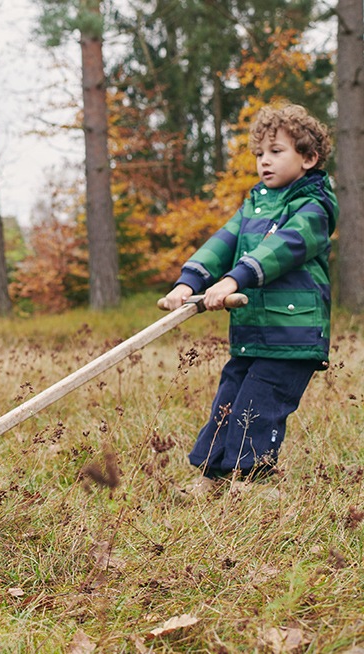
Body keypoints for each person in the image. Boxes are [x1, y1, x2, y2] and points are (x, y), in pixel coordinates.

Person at [160, 103, 338, 497]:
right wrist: (189, 282)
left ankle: (256, 483)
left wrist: (233, 279)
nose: (264, 162)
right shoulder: (254, 205)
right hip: (252, 331)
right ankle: (212, 476)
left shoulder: (314, 207)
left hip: (293, 335)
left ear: (308, 158)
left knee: (258, 405)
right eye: (259, 154)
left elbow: (283, 248)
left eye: (277, 151)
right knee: (228, 400)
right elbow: (221, 242)